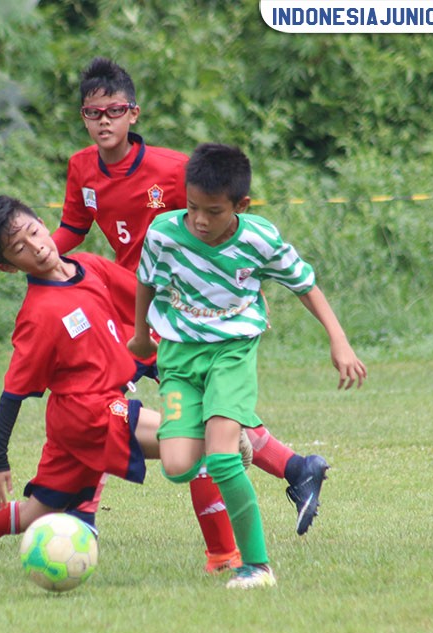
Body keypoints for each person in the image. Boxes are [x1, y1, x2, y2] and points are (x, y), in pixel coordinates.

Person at [0, 195, 234, 581]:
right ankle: (225, 557)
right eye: (19, 247)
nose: (36, 246)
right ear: (7, 266)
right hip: (90, 415)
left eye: (34, 231)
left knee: (35, 513)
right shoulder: (38, 315)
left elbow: (145, 301)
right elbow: (13, 392)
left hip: (77, 422)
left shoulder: (89, 267)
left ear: (42, 222)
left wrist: (208, 313)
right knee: (196, 442)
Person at [53, 57, 330, 537]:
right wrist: (36, 254)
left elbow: (221, 218)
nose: (103, 121)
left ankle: (89, 519)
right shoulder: (81, 168)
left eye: (114, 110)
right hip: (127, 306)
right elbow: (74, 228)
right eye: (92, 113)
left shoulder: (170, 169)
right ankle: (295, 469)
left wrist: (230, 285)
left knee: (104, 401)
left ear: (133, 113)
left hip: (175, 309)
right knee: (113, 403)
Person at [128, 143, 367, 589]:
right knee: (178, 466)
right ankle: (237, 436)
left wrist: (340, 342)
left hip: (231, 354)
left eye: (213, 211)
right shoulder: (163, 232)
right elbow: (146, 280)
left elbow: (306, 285)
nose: (199, 220)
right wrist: (142, 336)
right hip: (178, 358)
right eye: (193, 207)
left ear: (241, 205)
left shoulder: (260, 239)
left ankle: (256, 566)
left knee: (220, 462)